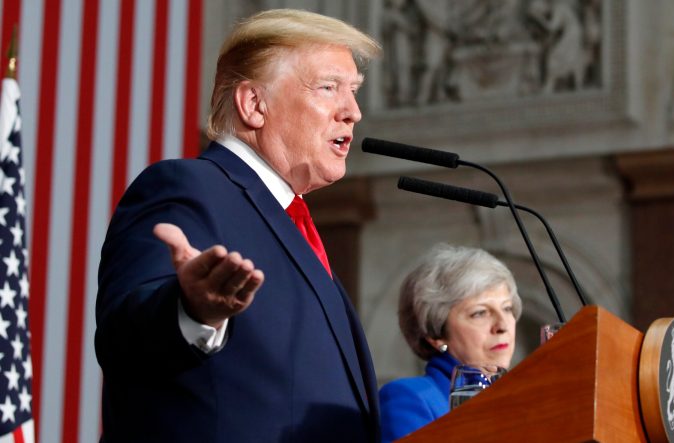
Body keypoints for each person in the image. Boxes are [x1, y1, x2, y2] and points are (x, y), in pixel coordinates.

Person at [95, 9, 382, 442]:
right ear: (254, 104)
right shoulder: (190, 187)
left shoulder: (290, 222)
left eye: (354, 91)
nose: (353, 112)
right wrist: (192, 311)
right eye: (329, 88)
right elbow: (124, 337)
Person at [379, 243, 522, 442]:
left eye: (507, 309)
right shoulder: (410, 399)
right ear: (436, 334)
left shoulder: (522, 401)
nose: (502, 325)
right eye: (479, 313)